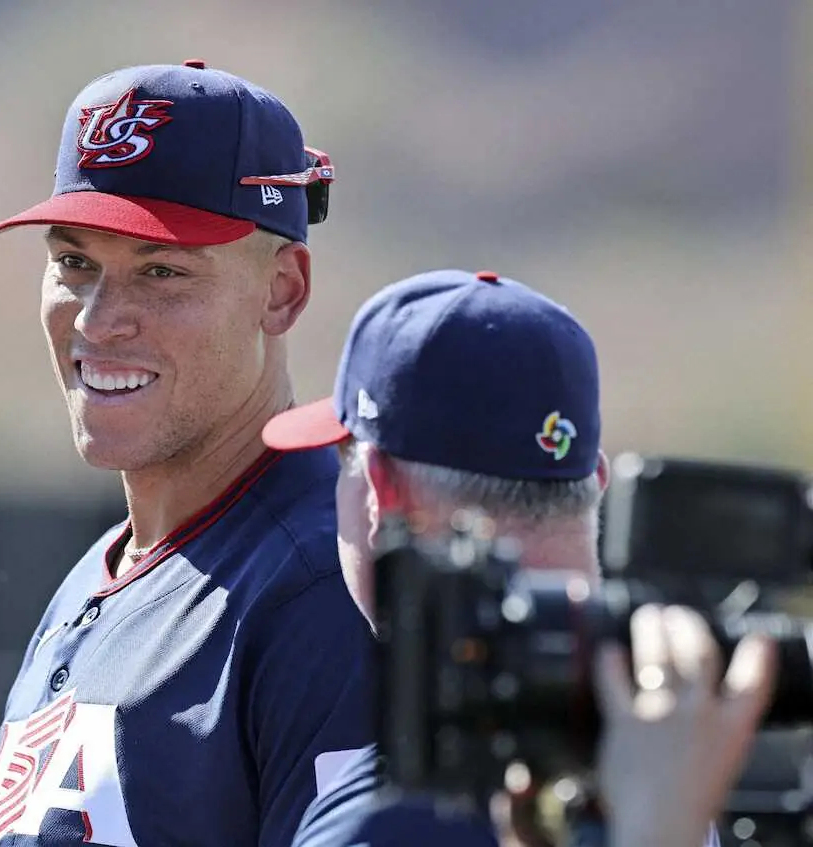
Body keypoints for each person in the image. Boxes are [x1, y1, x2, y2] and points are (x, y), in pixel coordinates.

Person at [0, 60, 374, 847]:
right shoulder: (101, 573)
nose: (99, 320)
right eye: (75, 263)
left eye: (161, 271)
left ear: (282, 290)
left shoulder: (327, 587)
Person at [260, 269, 777, 846]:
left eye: (344, 463)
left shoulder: (396, 809)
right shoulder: (673, 730)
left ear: (380, 492)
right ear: (596, 480)